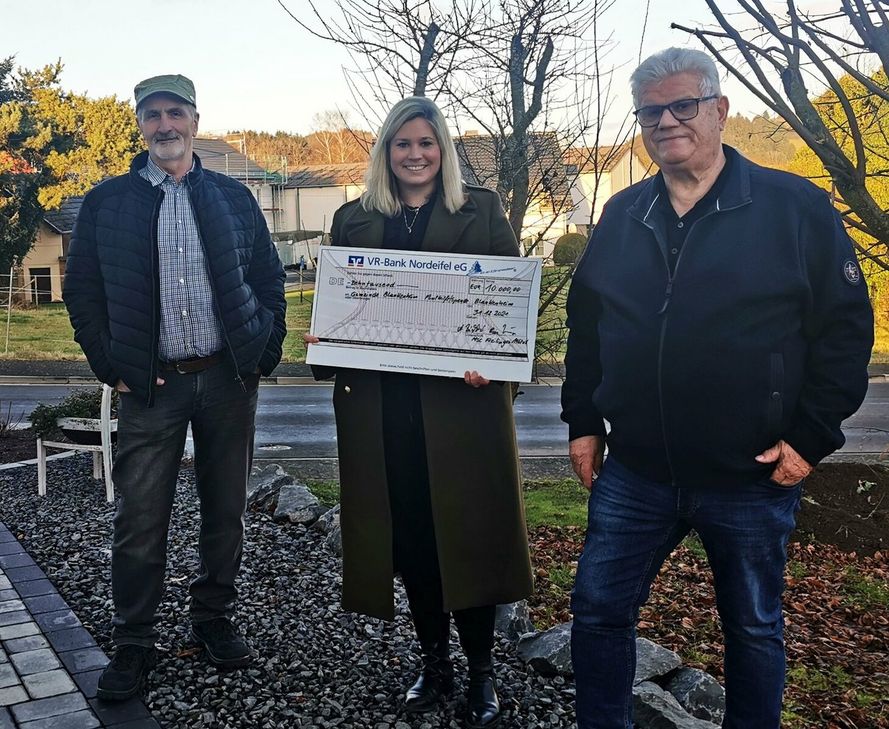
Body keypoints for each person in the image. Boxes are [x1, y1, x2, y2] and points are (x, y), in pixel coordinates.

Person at [561, 47, 873, 729]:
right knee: (597, 611)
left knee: (753, 629)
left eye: (682, 106)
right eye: (650, 112)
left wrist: (810, 436)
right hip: (636, 471)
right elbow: (584, 324)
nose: (666, 122)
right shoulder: (622, 215)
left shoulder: (793, 208)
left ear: (719, 110)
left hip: (750, 473)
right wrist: (582, 419)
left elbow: (846, 330)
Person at [305, 96, 533, 728]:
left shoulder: (481, 211)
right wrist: (327, 340)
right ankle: (435, 665)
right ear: (385, 152)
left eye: (426, 144)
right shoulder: (354, 219)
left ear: (444, 151)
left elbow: (509, 307)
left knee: (469, 537)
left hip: (461, 412)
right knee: (411, 543)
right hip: (384, 416)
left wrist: (495, 359)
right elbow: (340, 308)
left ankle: (481, 673)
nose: (415, 155)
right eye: (402, 144)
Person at [63, 74, 287, 700]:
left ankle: (212, 619)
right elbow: (83, 294)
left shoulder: (232, 197)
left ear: (195, 119)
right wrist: (114, 366)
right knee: (139, 520)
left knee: (225, 513)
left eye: (176, 113)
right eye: (153, 114)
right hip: (151, 387)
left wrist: (261, 351)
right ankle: (134, 641)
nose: (165, 125)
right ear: (140, 124)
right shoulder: (108, 202)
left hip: (226, 380)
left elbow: (268, 279)